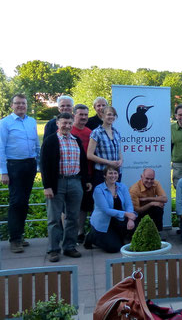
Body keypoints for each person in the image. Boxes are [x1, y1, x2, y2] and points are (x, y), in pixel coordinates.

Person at [40, 112, 91, 262]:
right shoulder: (51, 141)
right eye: (64, 123)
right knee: (54, 218)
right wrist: (47, 186)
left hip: (75, 182)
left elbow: (83, 162)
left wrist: (86, 180)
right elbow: (44, 165)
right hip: (57, 183)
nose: (67, 126)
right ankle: (53, 250)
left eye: (69, 123)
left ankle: (69, 246)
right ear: (57, 123)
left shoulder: (76, 141)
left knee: (73, 217)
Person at [0, 94, 40, 253]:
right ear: (12, 105)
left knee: (24, 201)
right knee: (16, 202)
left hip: (30, 164)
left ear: (27, 105)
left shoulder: (31, 121)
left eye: (23, 103)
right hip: (14, 166)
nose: (21, 105)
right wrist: (3, 172)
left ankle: (19, 235)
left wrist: (38, 164)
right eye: (17, 103)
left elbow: (36, 144)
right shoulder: (4, 123)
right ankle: (14, 240)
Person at [85, 166, 137, 253]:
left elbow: (129, 205)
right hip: (104, 222)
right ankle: (92, 236)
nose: (113, 175)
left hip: (118, 220)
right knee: (114, 248)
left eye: (115, 173)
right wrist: (126, 214)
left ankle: (117, 236)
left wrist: (130, 219)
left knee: (135, 225)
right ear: (105, 175)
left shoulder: (122, 187)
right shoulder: (98, 190)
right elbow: (106, 210)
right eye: (110, 173)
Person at [70, 104, 94, 243]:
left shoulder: (89, 132)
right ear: (74, 115)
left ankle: (80, 232)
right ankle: (69, 233)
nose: (84, 117)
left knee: (85, 206)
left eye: (86, 114)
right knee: (70, 207)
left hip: (88, 174)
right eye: (81, 114)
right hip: (72, 174)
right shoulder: (68, 130)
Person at [87, 106, 123, 186]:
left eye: (113, 115)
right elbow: (89, 155)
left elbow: (119, 152)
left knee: (115, 197)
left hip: (116, 173)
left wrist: (121, 160)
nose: (111, 117)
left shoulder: (116, 132)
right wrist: (109, 162)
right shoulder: (96, 133)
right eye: (109, 114)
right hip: (102, 173)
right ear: (102, 115)